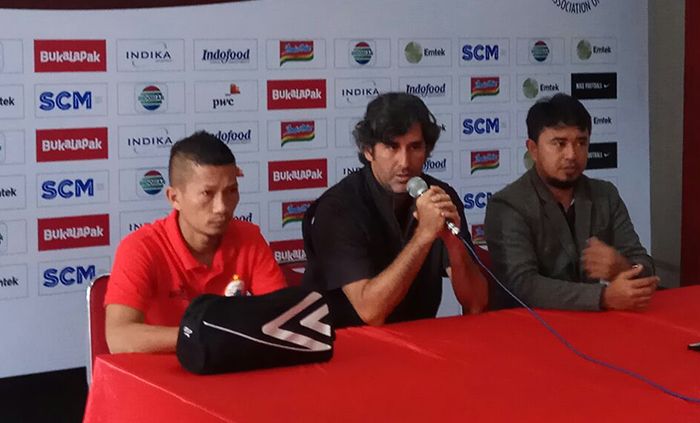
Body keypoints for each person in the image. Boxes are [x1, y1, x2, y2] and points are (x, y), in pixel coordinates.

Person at [302, 92, 488, 328]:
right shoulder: (338, 207)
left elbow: (476, 303)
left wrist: (454, 243)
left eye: (415, 147)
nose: (404, 162)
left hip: (420, 340)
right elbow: (370, 313)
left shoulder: (439, 197)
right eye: (392, 147)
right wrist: (423, 236)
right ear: (369, 151)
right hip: (347, 349)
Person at [105, 131, 286, 353]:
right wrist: (202, 333)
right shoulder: (140, 247)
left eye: (231, 191)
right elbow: (119, 338)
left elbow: (282, 319)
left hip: (227, 371)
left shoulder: (249, 238)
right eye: (207, 194)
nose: (222, 207)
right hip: (161, 375)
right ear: (174, 198)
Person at [484, 93, 658, 311]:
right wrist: (602, 297)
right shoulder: (508, 204)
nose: (571, 155)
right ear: (533, 149)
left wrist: (622, 267)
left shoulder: (605, 195)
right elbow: (523, 286)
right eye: (559, 143)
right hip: (532, 330)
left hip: (597, 326)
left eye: (581, 143)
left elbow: (645, 264)